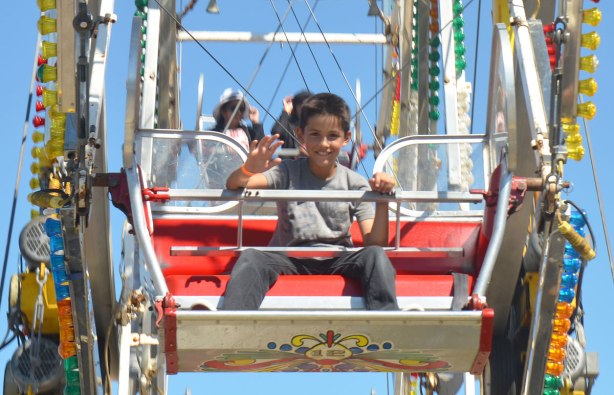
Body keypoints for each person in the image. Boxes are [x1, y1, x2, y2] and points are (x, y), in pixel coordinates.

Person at [223, 92, 398, 311]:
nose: (323, 144)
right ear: (301, 135)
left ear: (346, 138)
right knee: (252, 258)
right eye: (315, 134)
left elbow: (375, 242)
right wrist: (249, 169)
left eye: (332, 136)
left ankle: (386, 323)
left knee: (375, 257)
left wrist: (382, 198)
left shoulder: (355, 183)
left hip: (338, 258)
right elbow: (235, 184)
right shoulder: (286, 172)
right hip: (289, 257)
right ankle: (233, 325)